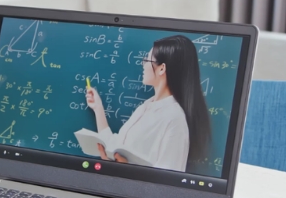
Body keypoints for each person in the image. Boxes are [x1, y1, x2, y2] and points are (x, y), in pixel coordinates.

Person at [84, 35, 211, 172]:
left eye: (147, 60)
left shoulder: (175, 120)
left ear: (162, 68)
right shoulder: (146, 106)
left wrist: (126, 170)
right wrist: (98, 108)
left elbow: (167, 180)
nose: (143, 65)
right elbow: (116, 147)